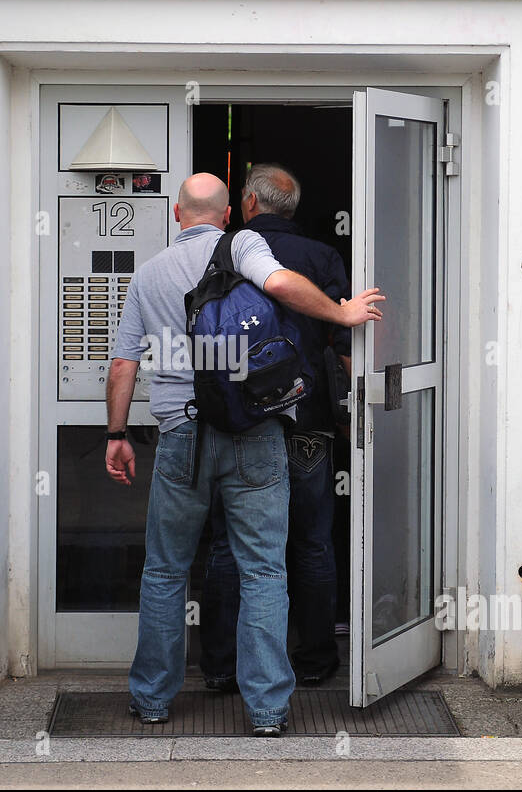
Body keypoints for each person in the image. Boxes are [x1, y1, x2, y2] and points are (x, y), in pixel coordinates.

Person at [105, 172, 383, 736]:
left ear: (179, 215)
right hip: (253, 431)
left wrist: (116, 436)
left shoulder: (151, 273)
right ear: (230, 214)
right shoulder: (246, 246)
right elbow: (280, 286)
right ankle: (267, 710)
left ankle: (154, 699)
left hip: (181, 434)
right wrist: (343, 313)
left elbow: (123, 364)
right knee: (263, 569)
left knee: (164, 571)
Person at [199, 163, 351, 690]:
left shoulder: (224, 251)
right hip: (307, 419)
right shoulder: (324, 257)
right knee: (312, 542)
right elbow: (346, 350)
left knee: (229, 544)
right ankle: (314, 659)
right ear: (291, 208)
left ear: (247, 205)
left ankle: (220, 666)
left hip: (241, 421)